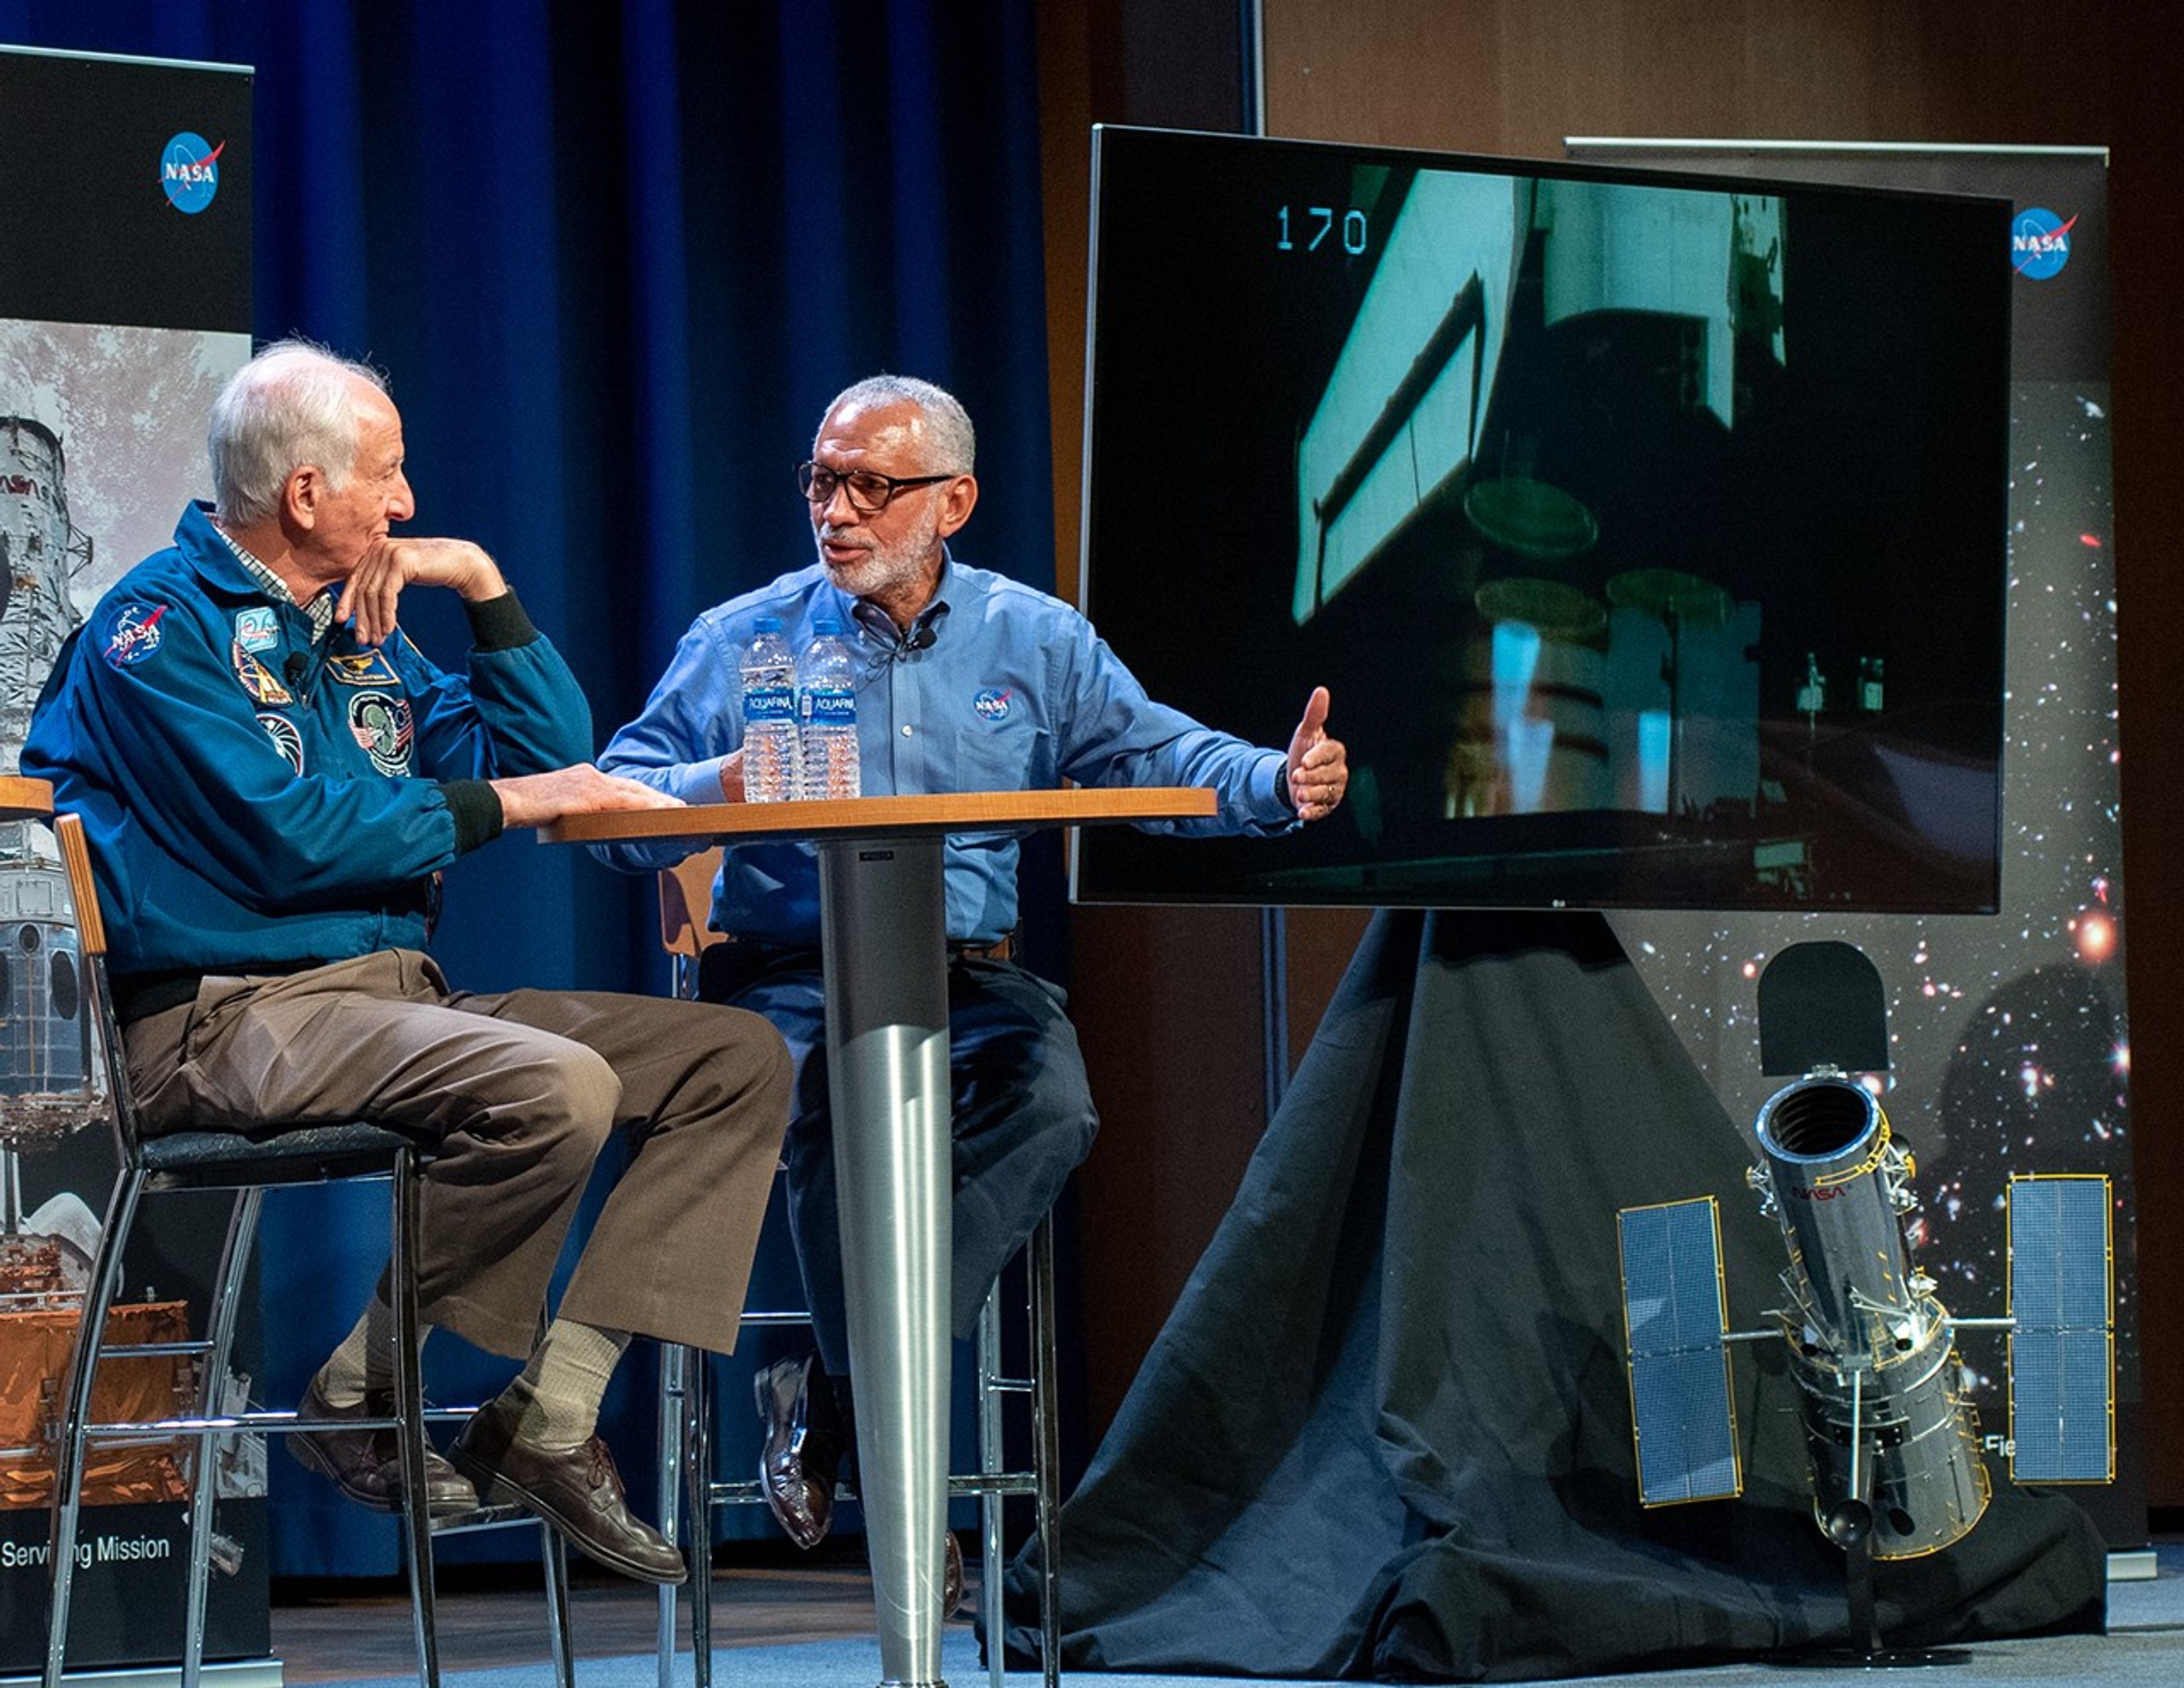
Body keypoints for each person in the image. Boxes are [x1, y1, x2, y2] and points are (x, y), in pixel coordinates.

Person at [22, 340, 793, 1587]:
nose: (409, 504)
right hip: (224, 1019)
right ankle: (364, 1387)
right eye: (388, 475)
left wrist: (484, 587)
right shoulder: (155, 630)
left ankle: (553, 1413)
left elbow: (550, 752)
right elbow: (289, 841)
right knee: (556, 1087)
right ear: (307, 493)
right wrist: (511, 800)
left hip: (391, 1004)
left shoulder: (358, 629)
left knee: (732, 1056)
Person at [593, 374, 1348, 1587]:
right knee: (835, 1112)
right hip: (789, 970)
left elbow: (1153, 751)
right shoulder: (746, 638)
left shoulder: (1031, 637)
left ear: (954, 502)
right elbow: (615, 803)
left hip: (964, 977)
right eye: (821, 481)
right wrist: (715, 787)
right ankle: (905, 1488)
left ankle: (839, 1403)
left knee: (1054, 1103)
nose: (836, 512)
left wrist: (1275, 779)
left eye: (870, 487)